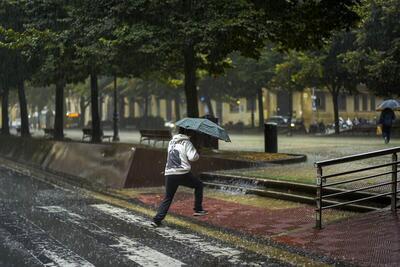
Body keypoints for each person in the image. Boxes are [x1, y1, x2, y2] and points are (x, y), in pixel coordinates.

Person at [151, 128, 207, 227]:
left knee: (168, 197)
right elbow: (193, 157)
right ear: (189, 134)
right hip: (182, 172)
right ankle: (198, 209)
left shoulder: (171, 142)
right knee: (199, 185)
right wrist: (197, 151)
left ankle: (156, 220)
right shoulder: (187, 143)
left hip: (169, 173)